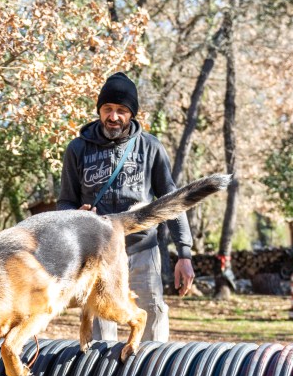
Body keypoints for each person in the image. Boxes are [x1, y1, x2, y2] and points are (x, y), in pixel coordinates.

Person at [57, 71, 195, 342]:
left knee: (151, 313)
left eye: (121, 110)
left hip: (142, 248)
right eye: (107, 109)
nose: (114, 116)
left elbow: (172, 200)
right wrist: (74, 218)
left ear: (132, 114)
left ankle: (153, 374)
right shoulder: (78, 149)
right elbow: (65, 200)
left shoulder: (150, 147)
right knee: (100, 321)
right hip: (98, 253)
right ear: (99, 110)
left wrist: (185, 254)